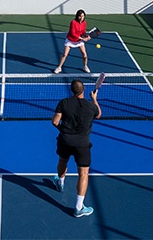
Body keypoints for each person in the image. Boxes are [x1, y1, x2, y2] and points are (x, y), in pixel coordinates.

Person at [51, 79, 102, 218]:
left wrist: (64, 131)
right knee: (83, 174)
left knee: (62, 161)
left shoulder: (64, 102)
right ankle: (79, 208)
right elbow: (98, 115)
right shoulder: (90, 106)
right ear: (83, 89)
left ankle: (60, 182)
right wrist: (95, 99)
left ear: (72, 90)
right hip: (82, 144)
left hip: (65, 140)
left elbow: (55, 121)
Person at [54, 9, 90, 74]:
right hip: (70, 40)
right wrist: (82, 38)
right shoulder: (73, 22)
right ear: (77, 16)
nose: (81, 18)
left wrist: (86, 35)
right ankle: (59, 67)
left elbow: (83, 31)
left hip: (79, 41)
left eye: (82, 16)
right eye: (80, 16)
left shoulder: (84, 23)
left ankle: (85, 66)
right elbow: (73, 33)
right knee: (65, 54)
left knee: (84, 55)